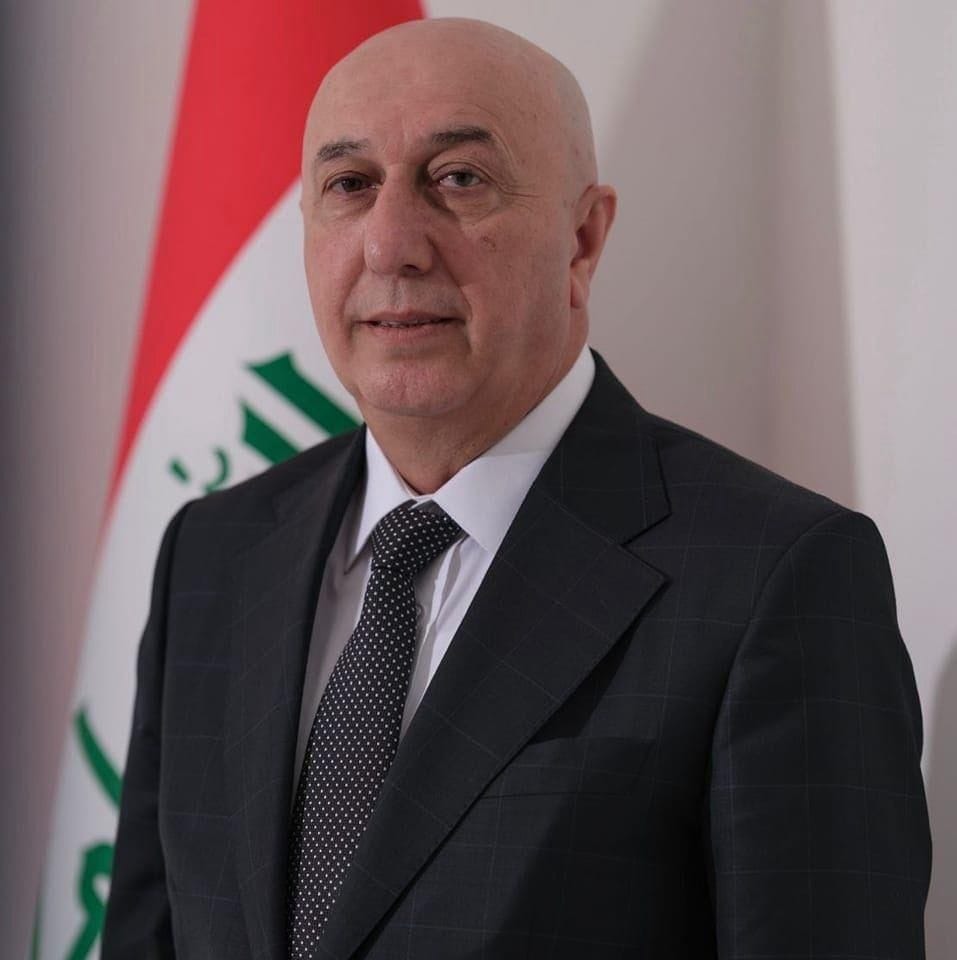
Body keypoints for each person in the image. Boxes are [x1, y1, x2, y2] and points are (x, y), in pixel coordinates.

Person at [102, 17, 930, 960]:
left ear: (582, 239)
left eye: (458, 179)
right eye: (349, 185)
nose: (390, 245)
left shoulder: (774, 579)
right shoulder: (212, 555)